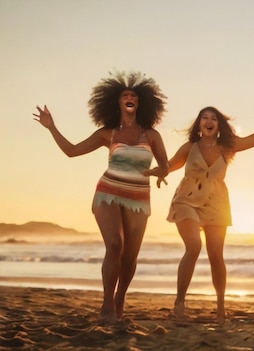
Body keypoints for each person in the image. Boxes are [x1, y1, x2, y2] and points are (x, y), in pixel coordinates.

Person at [32, 71, 169, 324]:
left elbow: (165, 165)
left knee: (130, 256)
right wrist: (51, 127)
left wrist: (159, 173)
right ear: (116, 103)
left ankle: (120, 299)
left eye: (134, 96)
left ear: (141, 103)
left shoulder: (152, 135)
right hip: (108, 191)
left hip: (139, 196)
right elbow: (72, 151)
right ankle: (107, 303)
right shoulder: (107, 134)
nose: (129, 97)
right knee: (115, 245)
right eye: (124, 95)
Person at [146, 107, 254, 323]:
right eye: (205, 118)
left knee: (215, 254)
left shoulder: (227, 147)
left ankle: (221, 305)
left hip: (217, 202)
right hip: (187, 198)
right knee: (194, 246)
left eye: (213, 118)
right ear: (199, 124)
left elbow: (253, 139)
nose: (209, 121)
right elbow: (168, 166)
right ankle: (180, 301)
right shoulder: (190, 147)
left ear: (219, 125)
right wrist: (157, 172)